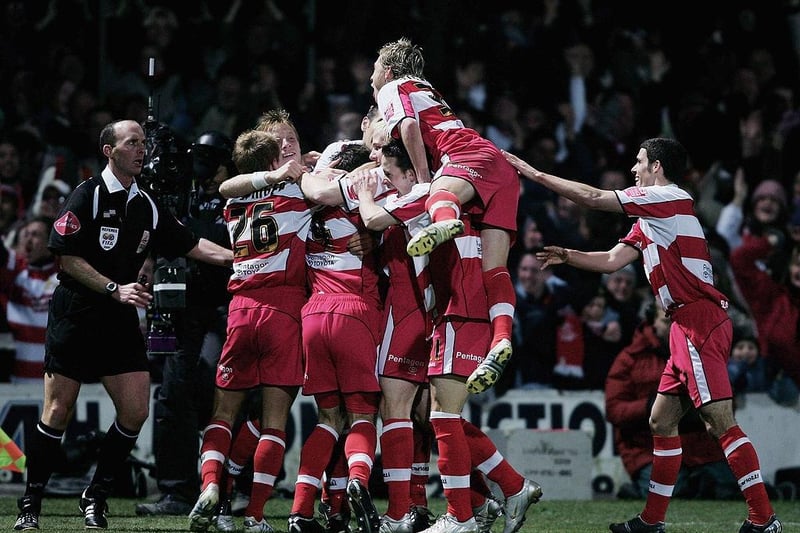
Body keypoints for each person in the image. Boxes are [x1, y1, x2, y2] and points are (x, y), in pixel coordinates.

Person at [503, 137, 782, 533]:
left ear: (657, 167)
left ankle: (763, 519)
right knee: (661, 420)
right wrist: (569, 256)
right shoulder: (652, 219)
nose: (634, 169)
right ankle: (651, 522)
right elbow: (613, 261)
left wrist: (534, 175)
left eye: (639, 162)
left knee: (719, 422)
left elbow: (595, 197)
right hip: (684, 325)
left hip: (698, 322)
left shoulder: (668, 197)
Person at [13, 119, 234, 531]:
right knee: (58, 410)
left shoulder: (147, 202)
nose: (142, 149)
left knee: (135, 411)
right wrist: (114, 287)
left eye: (143, 143)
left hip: (117, 316)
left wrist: (239, 259)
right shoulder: (88, 196)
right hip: (77, 311)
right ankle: (31, 502)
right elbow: (66, 256)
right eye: (132, 142)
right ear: (109, 151)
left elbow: (191, 244)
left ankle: (95, 495)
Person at [370, 38, 519, 394]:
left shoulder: (392, 87)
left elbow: (407, 126)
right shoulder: (429, 90)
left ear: (388, 70)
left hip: (467, 158)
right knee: (495, 270)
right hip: (499, 167)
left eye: (374, 70)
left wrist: (425, 182)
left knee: (439, 193)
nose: (370, 79)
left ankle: (443, 219)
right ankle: (501, 339)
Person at [187, 127, 308, 533]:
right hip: (283, 311)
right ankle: (254, 515)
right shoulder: (297, 196)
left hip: (240, 310)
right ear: (275, 160)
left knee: (223, 414)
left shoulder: (235, 200)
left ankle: (209, 489)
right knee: (274, 423)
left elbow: (229, 187)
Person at [135, 130, 237, 519]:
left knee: (225, 392)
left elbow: (206, 239)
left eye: (212, 158)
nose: (203, 167)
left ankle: (230, 485)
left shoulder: (238, 197)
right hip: (181, 308)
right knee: (171, 395)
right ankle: (176, 491)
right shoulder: (178, 198)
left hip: (224, 308)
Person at [606, 304, 739, 501]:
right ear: (652, 322)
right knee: (674, 491)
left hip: (699, 448)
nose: (673, 328)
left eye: (678, 322)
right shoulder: (630, 359)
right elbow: (614, 410)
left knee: (729, 489)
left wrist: (702, 414)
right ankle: (640, 491)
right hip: (647, 447)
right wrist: (649, 406)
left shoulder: (700, 351)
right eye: (666, 321)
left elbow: (726, 401)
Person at [0, 216, 58, 383]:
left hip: (59, 386)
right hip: (18, 384)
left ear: (50, 243)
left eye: (35, 234)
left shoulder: (65, 275)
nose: (27, 239)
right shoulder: (16, 271)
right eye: (25, 234)